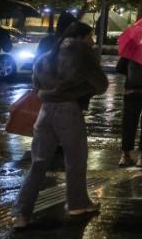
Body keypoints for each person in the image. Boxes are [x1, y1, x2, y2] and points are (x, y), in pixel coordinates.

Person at [12, 21, 109, 230]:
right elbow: (101, 85)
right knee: (75, 159)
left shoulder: (48, 54)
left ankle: (21, 212)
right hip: (68, 111)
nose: (92, 41)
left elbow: (36, 83)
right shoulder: (82, 55)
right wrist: (82, 91)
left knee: (38, 163)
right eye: (90, 36)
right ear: (81, 37)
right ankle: (77, 203)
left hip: (45, 111)